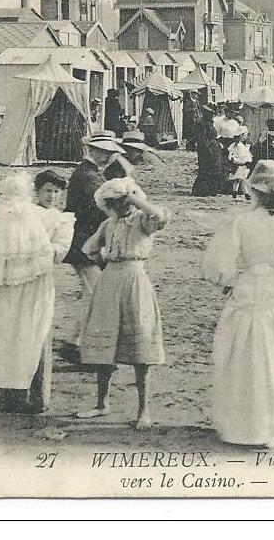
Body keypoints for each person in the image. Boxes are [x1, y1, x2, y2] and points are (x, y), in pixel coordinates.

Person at [203, 160, 274, 448]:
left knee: (242, 353)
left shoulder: (241, 221)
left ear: (254, 190)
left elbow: (219, 263)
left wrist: (228, 283)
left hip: (248, 288)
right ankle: (269, 425)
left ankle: (241, 425)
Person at [75, 177, 170, 429]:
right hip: (111, 280)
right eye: (114, 203)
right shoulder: (108, 224)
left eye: (121, 201)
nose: (119, 207)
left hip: (135, 279)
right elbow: (88, 249)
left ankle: (144, 411)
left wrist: (134, 198)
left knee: (141, 345)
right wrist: (105, 261)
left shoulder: (142, 220)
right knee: (105, 343)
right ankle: (101, 403)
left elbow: (161, 217)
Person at [0, 173, 73, 414]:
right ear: (36, 191)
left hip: (38, 281)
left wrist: (33, 248)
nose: (52, 196)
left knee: (33, 333)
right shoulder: (17, 211)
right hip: (11, 281)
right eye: (47, 191)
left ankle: (31, 394)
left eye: (57, 192)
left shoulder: (62, 220)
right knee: (5, 331)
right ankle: (2, 391)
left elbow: (60, 252)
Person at [65, 133, 125, 347]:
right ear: (95, 151)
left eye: (110, 153)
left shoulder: (87, 173)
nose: (109, 156)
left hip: (83, 239)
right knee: (94, 293)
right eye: (106, 152)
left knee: (92, 291)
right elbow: (101, 207)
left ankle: (79, 340)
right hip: (83, 241)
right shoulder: (90, 177)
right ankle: (78, 343)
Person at [192, 105, 225, 197]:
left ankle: (212, 189)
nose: (213, 115)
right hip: (207, 148)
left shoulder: (210, 123)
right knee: (206, 168)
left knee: (215, 168)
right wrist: (207, 149)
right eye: (211, 114)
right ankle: (202, 190)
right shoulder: (201, 124)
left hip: (214, 148)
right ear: (206, 114)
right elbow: (202, 139)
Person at [228, 129, 254, 200]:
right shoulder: (234, 146)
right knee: (240, 180)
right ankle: (244, 194)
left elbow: (246, 154)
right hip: (238, 165)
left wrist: (248, 161)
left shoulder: (242, 145)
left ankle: (239, 193)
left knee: (241, 180)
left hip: (244, 165)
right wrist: (235, 161)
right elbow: (231, 156)